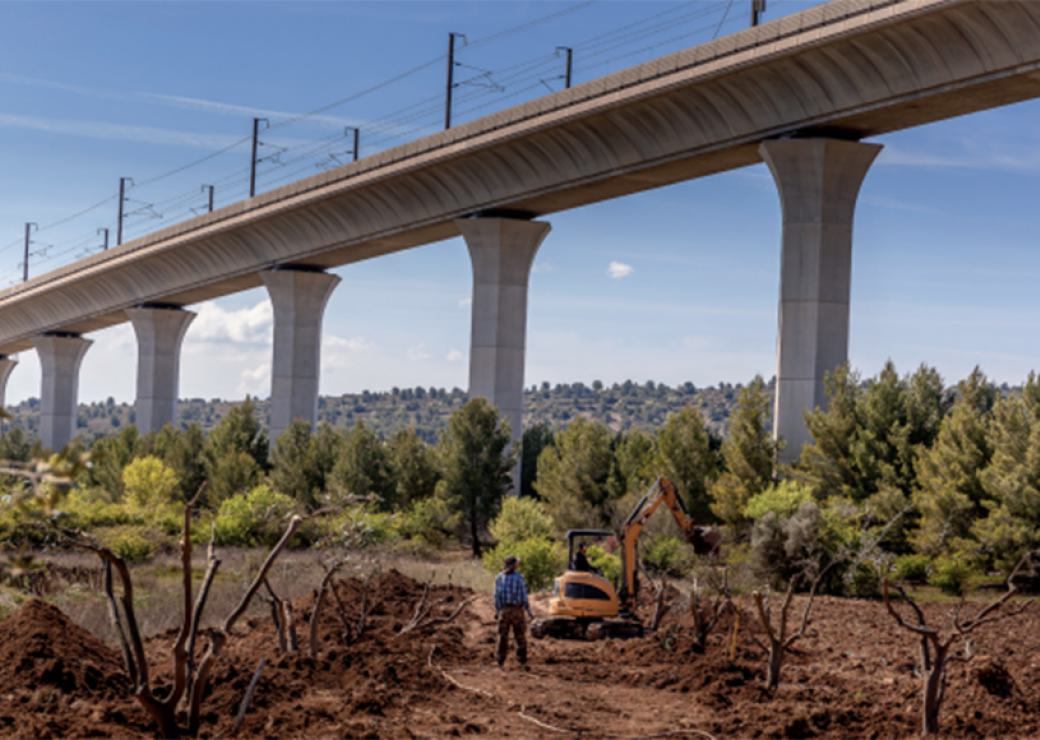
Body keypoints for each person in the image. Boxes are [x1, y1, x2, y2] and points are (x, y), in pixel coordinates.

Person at [493, 555, 532, 668]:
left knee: (502, 636)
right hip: (517, 610)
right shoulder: (519, 578)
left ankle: (500, 660)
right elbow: (524, 596)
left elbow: (496, 597)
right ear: (514, 565)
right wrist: (529, 611)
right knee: (520, 636)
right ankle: (522, 661)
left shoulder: (499, 577)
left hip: (504, 610)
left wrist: (498, 610)